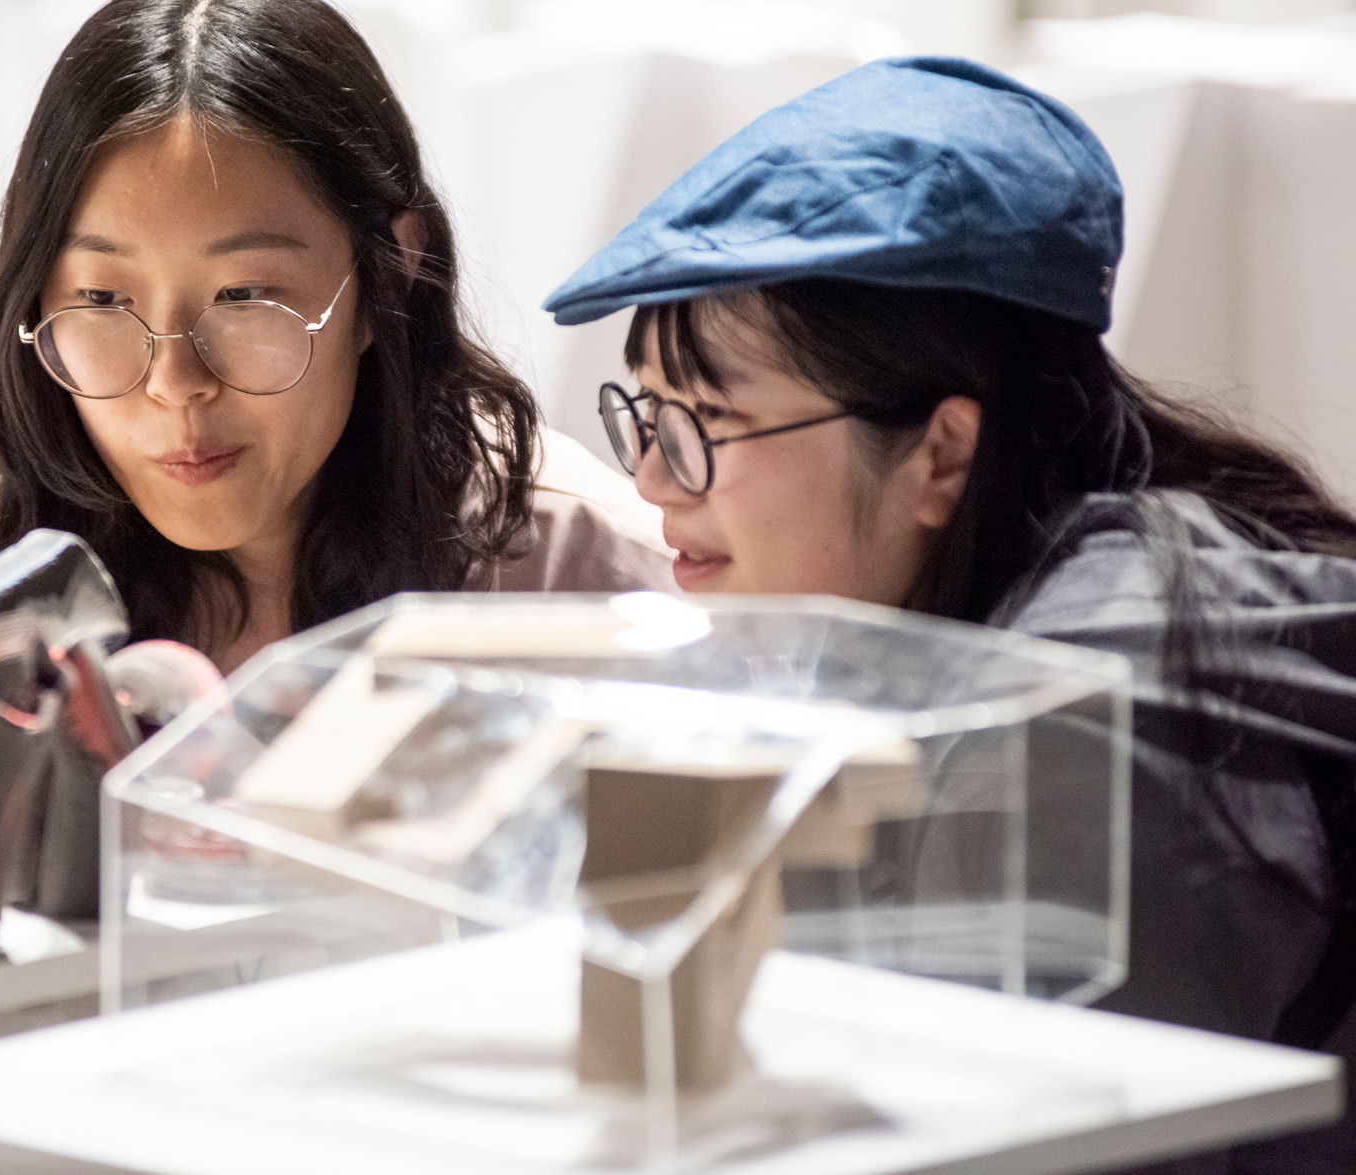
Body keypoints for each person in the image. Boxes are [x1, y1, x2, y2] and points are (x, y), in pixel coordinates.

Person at [543, 56, 1356, 1175]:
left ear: (942, 452)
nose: (651, 483)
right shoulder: (948, 615)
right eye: (645, 418)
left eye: (704, 425)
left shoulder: (1087, 717)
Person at [0, 0, 670, 674]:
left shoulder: (574, 580)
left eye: (243, 297)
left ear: (387, 276)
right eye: (103, 300)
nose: (177, 385)